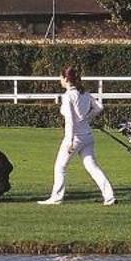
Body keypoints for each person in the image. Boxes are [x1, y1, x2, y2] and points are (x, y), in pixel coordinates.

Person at [41, 66, 116, 206]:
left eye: (61, 78)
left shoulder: (68, 96)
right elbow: (99, 107)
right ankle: (109, 197)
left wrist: (69, 140)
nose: (60, 80)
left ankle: (56, 198)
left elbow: (69, 120)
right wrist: (87, 117)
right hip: (87, 136)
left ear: (66, 79)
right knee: (93, 167)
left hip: (75, 137)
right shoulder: (84, 93)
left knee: (60, 167)